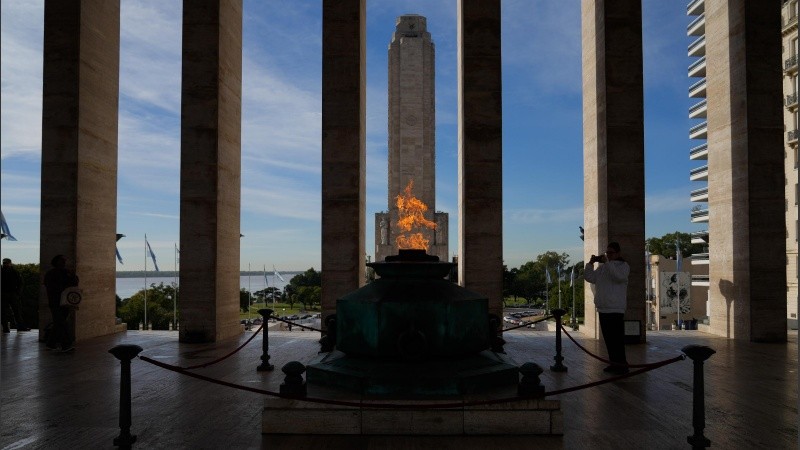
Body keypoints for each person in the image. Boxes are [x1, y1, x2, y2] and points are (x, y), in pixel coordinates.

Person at [584, 241, 630, 375]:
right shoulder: (603, 268)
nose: (608, 255)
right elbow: (590, 277)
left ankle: (622, 365)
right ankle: (613, 363)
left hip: (615, 308)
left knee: (617, 340)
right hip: (603, 308)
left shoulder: (624, 266)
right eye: (607, 253)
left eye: (611, 253)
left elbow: (618, 277)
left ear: (618, 253)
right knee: (609, 340)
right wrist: (590, 264)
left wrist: (607, 263)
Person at [43, 255, 79, 352]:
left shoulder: (65, 272)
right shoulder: (51, 274)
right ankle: (66, 345)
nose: (64, 262)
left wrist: (73, 276)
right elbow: (51, 287)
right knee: (62, 323)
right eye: (62, 260)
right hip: (56, 302)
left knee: (58, 323)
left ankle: (51, 344)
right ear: (56, 262)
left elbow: (75, 283)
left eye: (64, 260)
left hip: (64, 302)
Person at [1, 258, 29, 332]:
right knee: (5, 312)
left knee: (16, 311)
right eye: (4, 263)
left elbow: (20, 283)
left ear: (10, 263)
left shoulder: (14, 272)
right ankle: (7, 328)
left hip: (11, 294)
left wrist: (17, 293)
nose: (5, 264)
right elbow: (20, 283)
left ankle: (18, 327)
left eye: (6, 263)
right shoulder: (13, 272)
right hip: (6, 294)